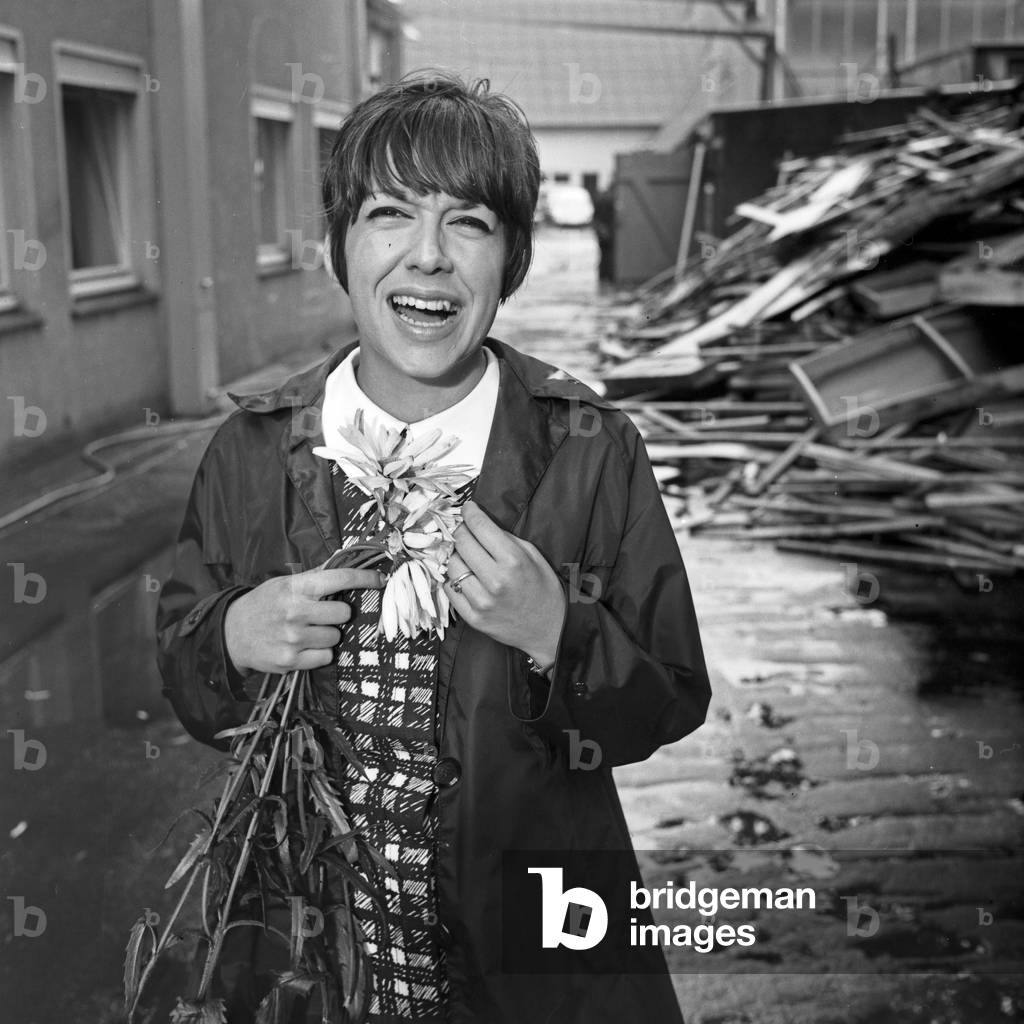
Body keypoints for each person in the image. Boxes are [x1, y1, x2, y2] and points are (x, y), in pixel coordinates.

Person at [157, 71, 711, 1024]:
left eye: (470, 223)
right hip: (316, 948)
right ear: (339, 245)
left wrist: (557, 634)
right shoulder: (255, 450)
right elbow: (189, 676)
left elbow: (666, 700)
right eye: (388, 214)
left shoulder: (589, 447)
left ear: (514, 260)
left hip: (534, 949)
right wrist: (229, 637)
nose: (427, 259)